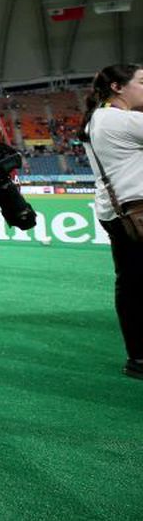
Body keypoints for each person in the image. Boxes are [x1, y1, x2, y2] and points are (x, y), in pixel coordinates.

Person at [80, 64, 143, 379]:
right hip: (136, 211)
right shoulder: (120, 120)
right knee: (133, 285)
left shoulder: (98, 119)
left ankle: (138, 356)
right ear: (118, 87)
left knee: (131, 283)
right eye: (142, 82)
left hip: (119, 213)